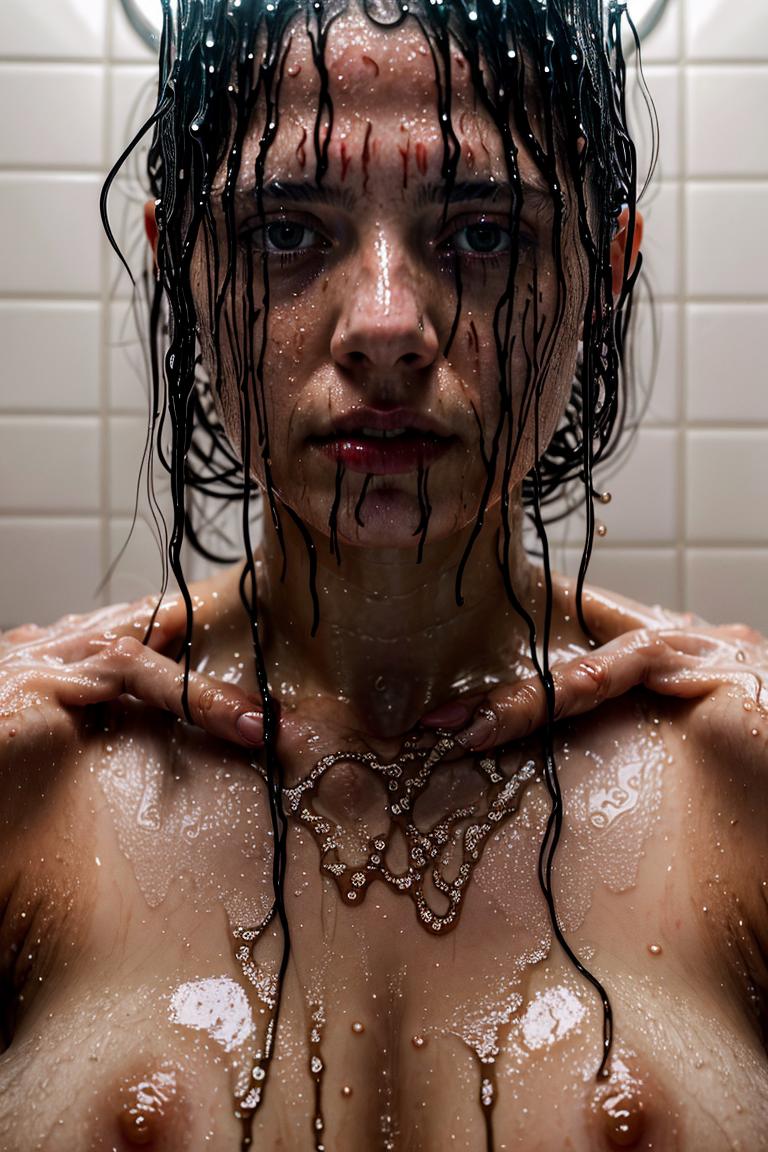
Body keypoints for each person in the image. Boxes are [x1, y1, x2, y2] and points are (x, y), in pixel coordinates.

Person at [1, 1, 766, 1149]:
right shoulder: (31, 790)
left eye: (484, 234)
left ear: (607, 272)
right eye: (283, 234)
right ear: (182, 276)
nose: (386, 325)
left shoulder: (738, 793)